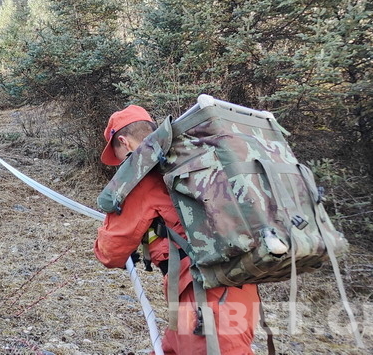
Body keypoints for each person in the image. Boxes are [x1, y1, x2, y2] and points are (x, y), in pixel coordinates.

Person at [94, 105, 259, 355]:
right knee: (172, 349)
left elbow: (110, 251)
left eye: (117, 156)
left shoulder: (141, 175)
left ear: (124, 141)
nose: (119, 165)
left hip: (205, 290)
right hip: (236, 281)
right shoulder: (188, 160)